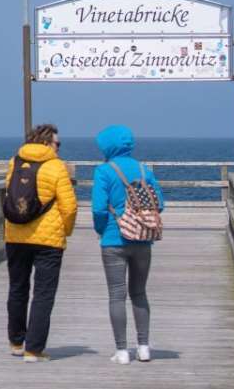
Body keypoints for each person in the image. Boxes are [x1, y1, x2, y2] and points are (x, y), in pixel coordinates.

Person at [92, 124, 164, 365]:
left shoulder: (104, 171)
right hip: (143, 239)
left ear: (107, 146)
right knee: (139, 292)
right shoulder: (144, 170)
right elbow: (159, 204)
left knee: (117, 295)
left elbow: (98, 208)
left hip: (114, 239)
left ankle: (121, 351)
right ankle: (143, 347)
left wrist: (102, 230)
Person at [5, 123, 78, 363]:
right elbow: (69, 206)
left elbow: (11, 195)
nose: (58, 148)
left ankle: (16, 342)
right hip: (48, 240)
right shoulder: (56, 167)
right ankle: (33, 349)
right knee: (43, 293)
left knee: (18, 288)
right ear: (47, 143)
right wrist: (65, 231)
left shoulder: (15, 162)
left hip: (16, 235)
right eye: (58, 143)